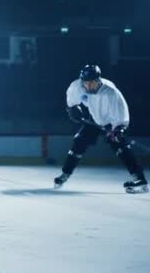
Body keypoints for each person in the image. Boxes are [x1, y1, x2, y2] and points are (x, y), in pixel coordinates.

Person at [54, 64, 147, 193]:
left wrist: (118, 129)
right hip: (95, 119)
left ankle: (140, 179)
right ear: (83, 82)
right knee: (79, 141)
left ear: (98, 80)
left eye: (93, 82)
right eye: (87, 83)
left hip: (111, 122)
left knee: (121, 147)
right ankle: (65, 174)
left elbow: (122, 115)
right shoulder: (77, 87)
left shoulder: (111, 92)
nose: (90, 86)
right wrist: (72, 109)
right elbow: (71, 102)